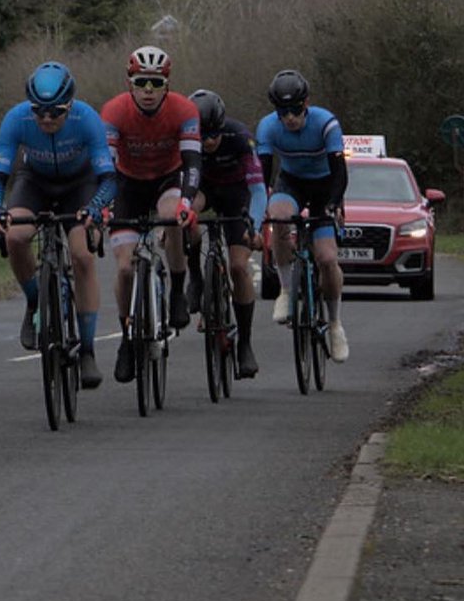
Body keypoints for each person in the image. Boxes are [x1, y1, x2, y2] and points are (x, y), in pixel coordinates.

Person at [0, 62, 116, 389]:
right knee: (15, 236)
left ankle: (86, 350)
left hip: (80, 186)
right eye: (38, 111)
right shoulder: (16, 119)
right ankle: (34, 301)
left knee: (83, 255)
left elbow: (108, 179)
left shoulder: (87, 119)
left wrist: (95, 209)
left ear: (69, 104)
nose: (45, 119)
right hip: (35, 183)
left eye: (55, 112)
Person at [100, 46, 202, 384]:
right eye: (141, 82)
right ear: (129, 82)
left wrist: (187, 202)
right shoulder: (114, 111)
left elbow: (192, 164)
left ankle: (176, 291)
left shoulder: (184, 110)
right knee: (126, 266)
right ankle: (128, 338)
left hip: (168, 179)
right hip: (127, 183)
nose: (148, 90)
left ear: (166, 85)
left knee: (173, 215)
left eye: (155, 83)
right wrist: (102, 203)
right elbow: (107, 166)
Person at [255, 68, 349, 363]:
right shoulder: (268, 128)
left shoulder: (326, 124)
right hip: (291, 182)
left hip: (325, 187)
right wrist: (259, 214)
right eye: (283, 112)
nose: (290, 118)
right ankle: (285, 289)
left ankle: (334, 324)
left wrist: (334, 204)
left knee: (327, 259)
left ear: (306, 104)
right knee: (280, 217)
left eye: (296, 110)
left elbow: (340, 173)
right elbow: (263, 177)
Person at [185, 89, 267, 379]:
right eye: (201, 136)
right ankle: (195, 278)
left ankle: (244, 343)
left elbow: (258, 190)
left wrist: (254, 228)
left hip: (236, 196)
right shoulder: (185, 137)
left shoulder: (239, 136)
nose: (207, 142)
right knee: (187, 216)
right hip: (203, 191)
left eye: (213, 135)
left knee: (238, 267)